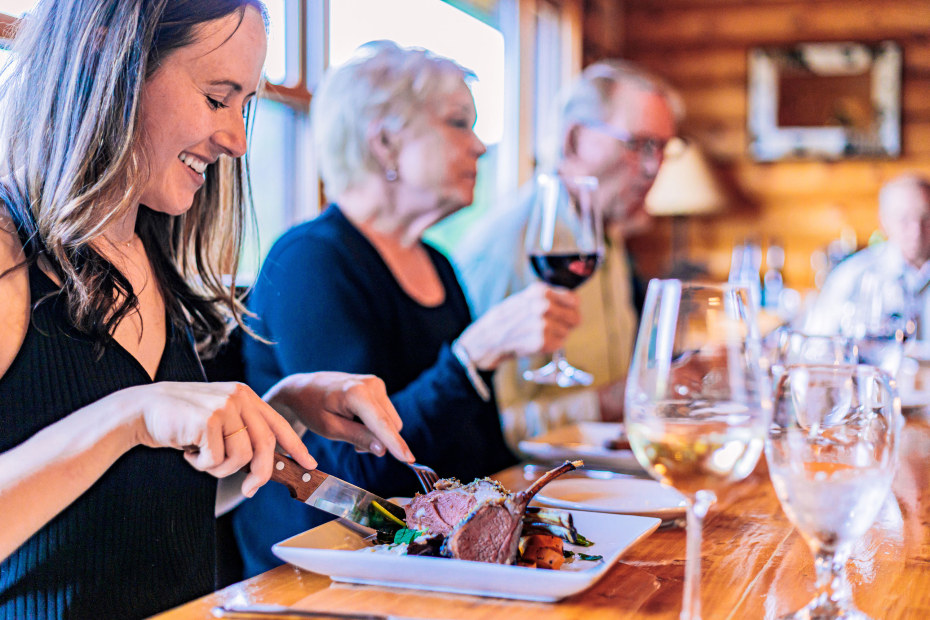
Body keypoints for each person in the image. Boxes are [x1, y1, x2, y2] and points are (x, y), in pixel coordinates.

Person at [0, 3, 412, 618]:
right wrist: (131, 415)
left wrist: (282, 413)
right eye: (218, 99)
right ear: (110, 60)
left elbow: (144, 507)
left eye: (245, 105)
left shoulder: (151, 258)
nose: (239, 141)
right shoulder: (9, 257)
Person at [233, 41, 581, 577]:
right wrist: (470, 358)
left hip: (430, 556)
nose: (480, 147)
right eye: (458, 123)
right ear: (387, 142)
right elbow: (350, 474)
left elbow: (479, 453)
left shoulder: (437, 263)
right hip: (323, 573)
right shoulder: (311, 262)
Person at [454, 60, 682, 446]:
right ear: (573, 140)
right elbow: (480, 429)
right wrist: (604, 403)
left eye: (662, 149)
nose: (651, 168)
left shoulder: (604, 236)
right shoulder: (509, 248)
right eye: (639, 145)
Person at [805, 174, 930, 339]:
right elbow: (817, 345)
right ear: (883, 221)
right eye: (904, 219)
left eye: (926, 218)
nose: (916, 231)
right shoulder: (851, 276)